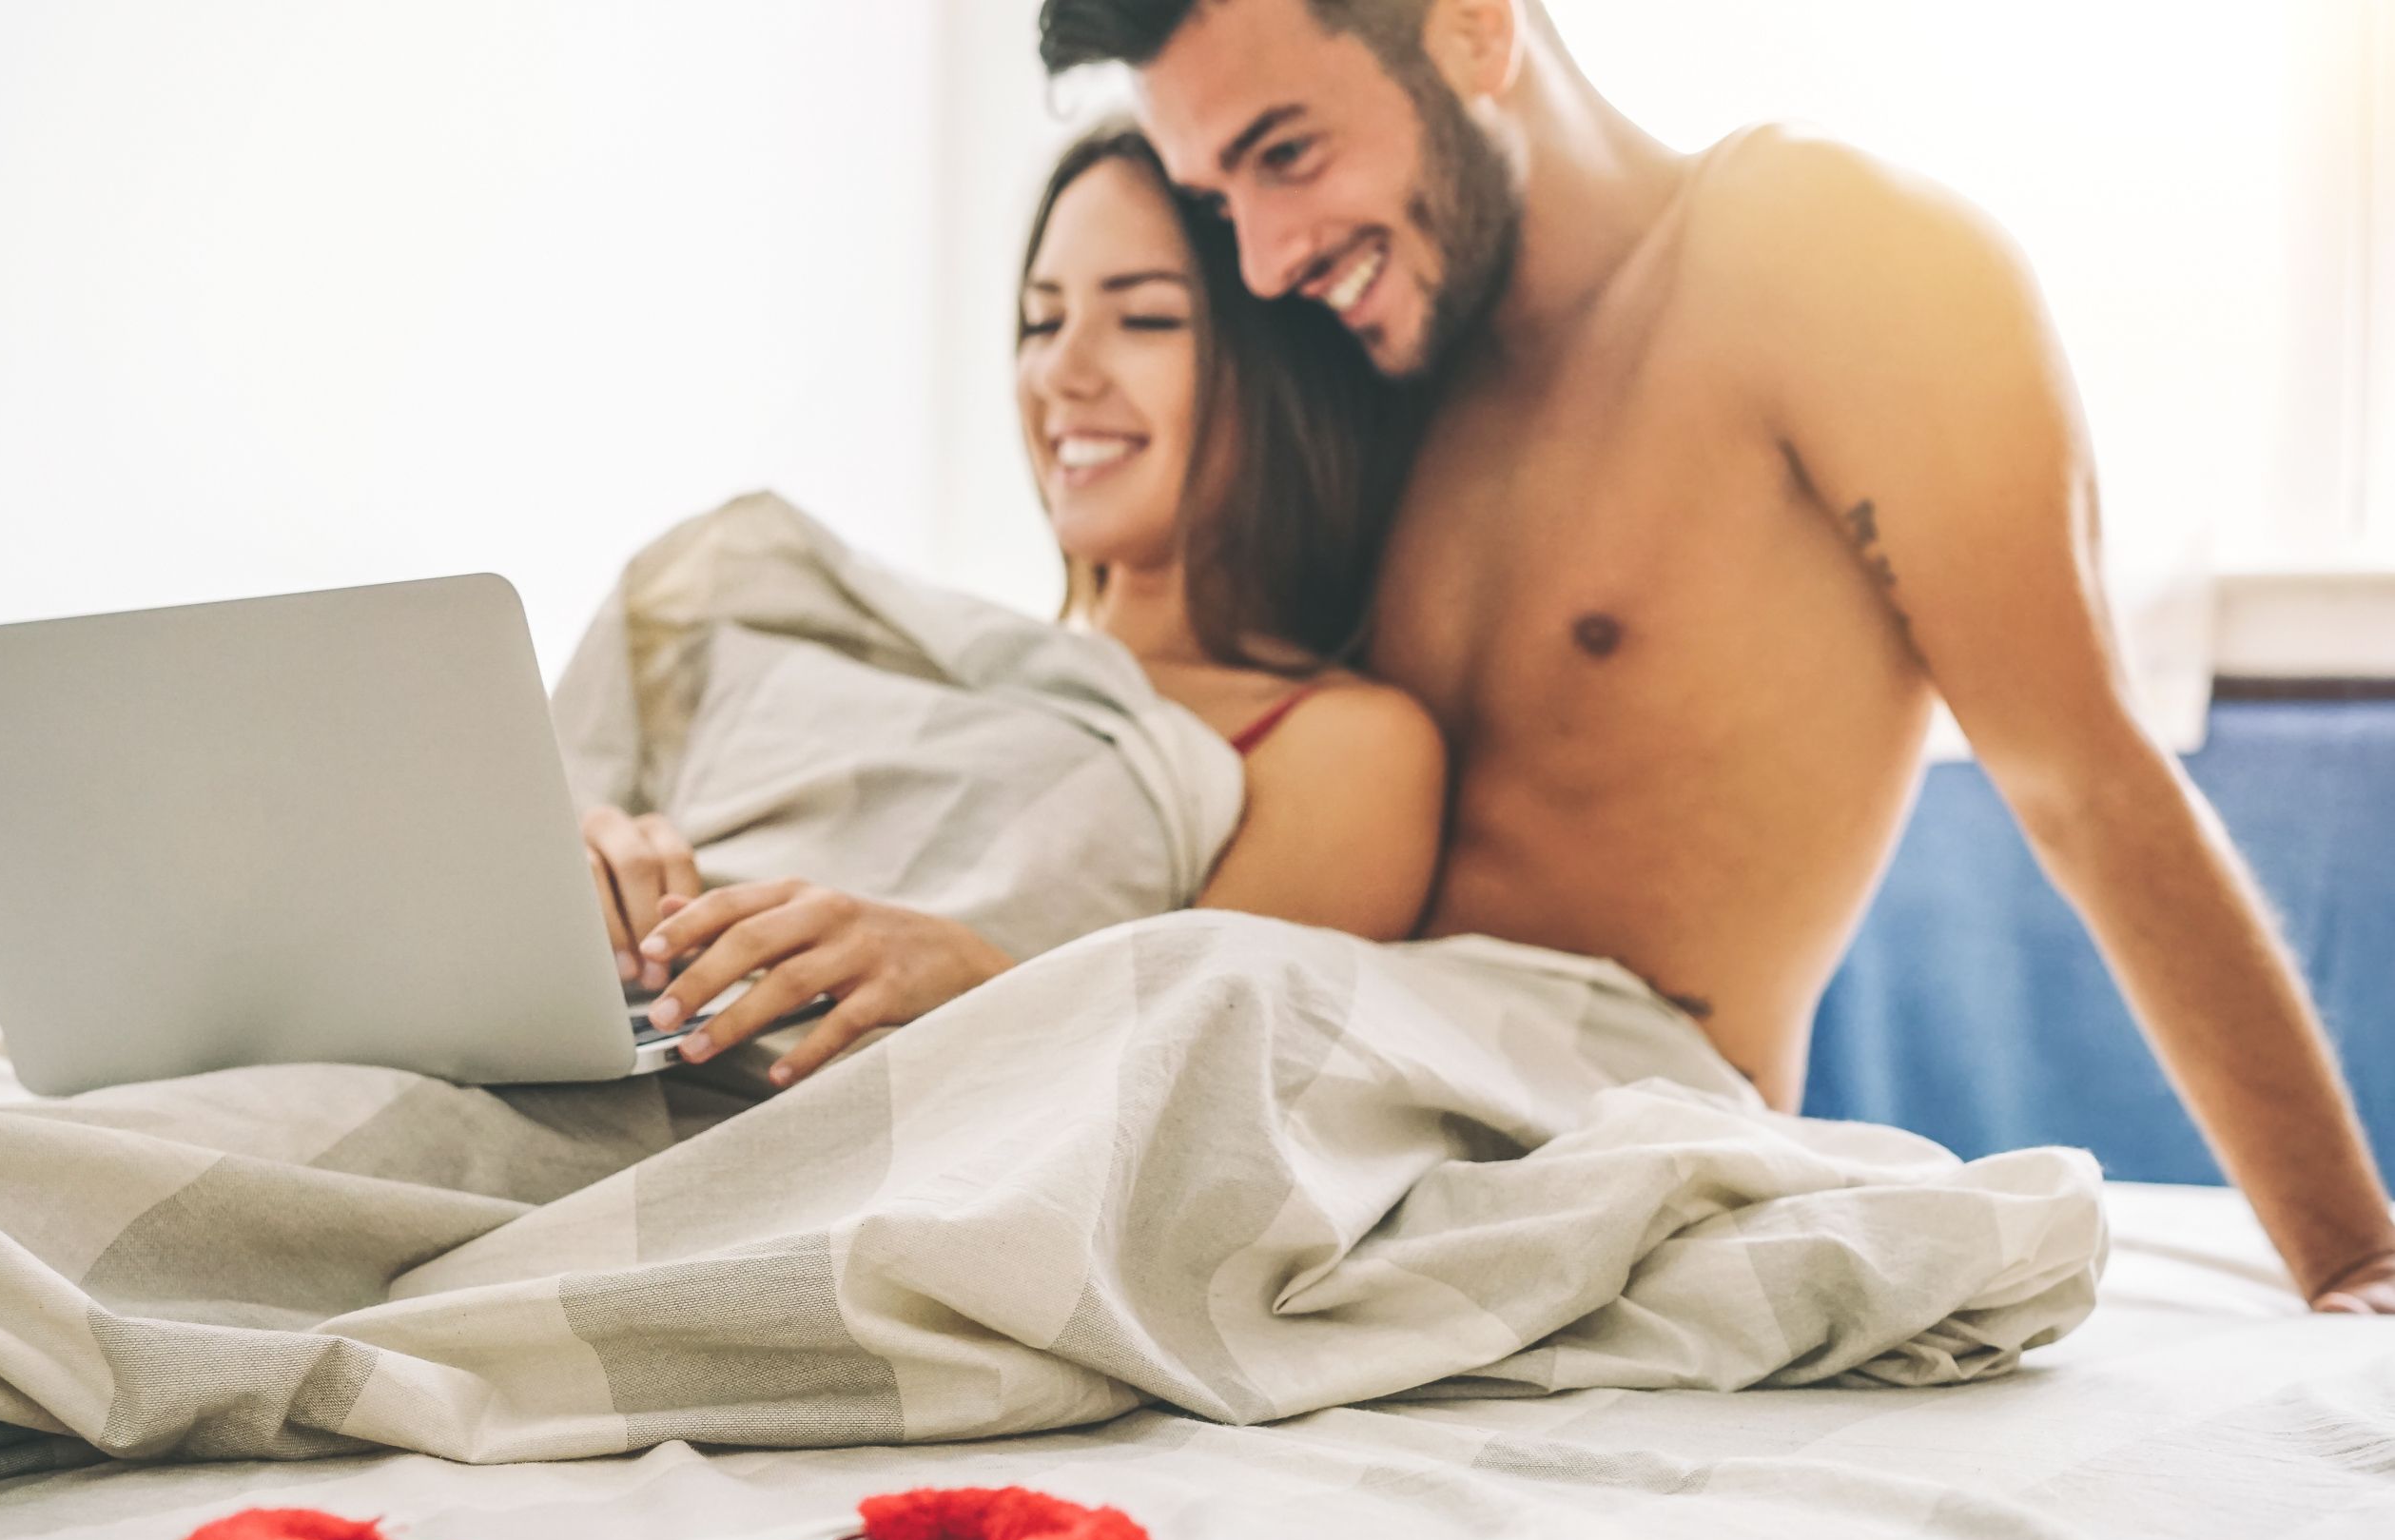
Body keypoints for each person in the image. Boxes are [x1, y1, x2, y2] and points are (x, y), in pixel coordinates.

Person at [1033, 0, 2395, 1313]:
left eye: (1288, 154)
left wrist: (2351, 1258)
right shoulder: (1379, 360)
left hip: (1614, 1172)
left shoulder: (1823, 258)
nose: (1263, 259)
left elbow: (2083, 780)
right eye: (1220, 202)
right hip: (1324, 1159)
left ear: (1472, 25)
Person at [581, 121, 1446, 1091]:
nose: (1058, 376)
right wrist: (598, 858)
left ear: (1288, 372)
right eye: (1040, 322)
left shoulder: (1340, 742)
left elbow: (1211, 1079)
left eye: (1145, 319)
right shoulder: (953, 660)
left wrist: (979, 981)